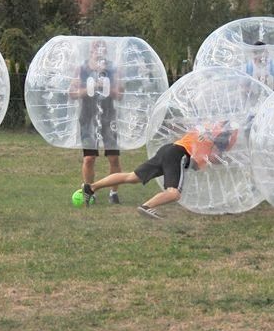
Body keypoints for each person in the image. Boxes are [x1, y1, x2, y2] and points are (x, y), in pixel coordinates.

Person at [77, 121, 238, 219]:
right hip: (178, 156)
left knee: (132, 177)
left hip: (168, 149)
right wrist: (222, 161)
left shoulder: (206, 126)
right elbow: (196, 165)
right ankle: (147, 207)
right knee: (174, 193)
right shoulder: (213, 144)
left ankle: (91, 187)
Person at [69, 39, 123, 204]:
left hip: (108, 117)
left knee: (113, 158)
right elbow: (72, 93)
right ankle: (89, 191)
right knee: (89, 158)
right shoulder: (81, 69)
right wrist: (89, 89)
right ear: (90, 51)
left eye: (101, 48)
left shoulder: (113, 69)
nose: (98, 50)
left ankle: (113, 193)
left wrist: (106, 88)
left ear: (105, 51)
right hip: (87, 118)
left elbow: (120, 95)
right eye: (95, 48)